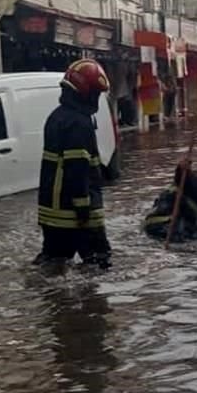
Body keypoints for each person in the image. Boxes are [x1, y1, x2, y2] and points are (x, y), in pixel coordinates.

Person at [33, 59, 112, 270]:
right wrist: (83, 208)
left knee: (54, 264)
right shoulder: (79, 123)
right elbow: (77, 169)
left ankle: (52, 302)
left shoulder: (56, 117)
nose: (96, 99)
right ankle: (94, 303)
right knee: (99, 263)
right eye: (95, 93)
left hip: (52, 211)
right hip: (75, 213)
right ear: (85, 92)